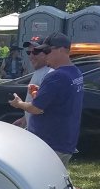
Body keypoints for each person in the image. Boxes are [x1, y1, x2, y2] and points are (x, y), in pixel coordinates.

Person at [8, 32, 83, 164]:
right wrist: (39, 95)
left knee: (35, 176)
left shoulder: (56, 76)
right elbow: (58, 101)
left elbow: (36, 108)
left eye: (47, 51)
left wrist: (19, 103)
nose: (45, 54)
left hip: (48, 144)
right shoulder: (75, 72)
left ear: (61, 50)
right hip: (64, 142)